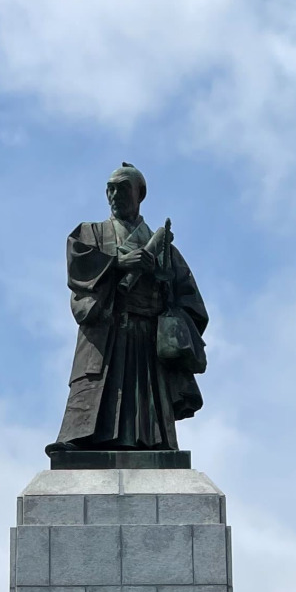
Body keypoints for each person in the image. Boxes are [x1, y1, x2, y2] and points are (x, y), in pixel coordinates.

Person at [49, 162, 208, 453]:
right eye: (109, 189)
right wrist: (119, 263)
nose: (114, 195)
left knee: (145, 402)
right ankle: (79, 440)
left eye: (122, 189)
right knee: (95, 385)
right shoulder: (91, 233)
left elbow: (191, 301)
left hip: (146, 334)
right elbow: (79, 268)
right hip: (106, 331)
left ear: (139, 194)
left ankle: (152, 445)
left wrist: (161, 281)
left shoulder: (163, 248)